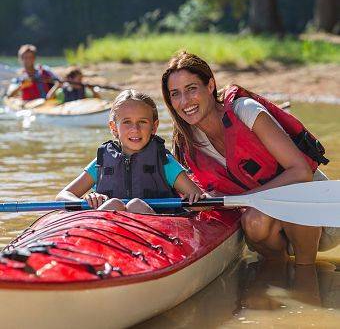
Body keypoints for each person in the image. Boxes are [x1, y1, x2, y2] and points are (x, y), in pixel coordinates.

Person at [161, 51, 333, 265]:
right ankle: (280, 275)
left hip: (321, 217)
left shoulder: (245, 110)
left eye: (191, 89)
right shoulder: (187, 142)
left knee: (271, 209)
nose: (184, 101)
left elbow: (301, 172)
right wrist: (202, 200)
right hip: (266, 221)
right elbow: (208, 191)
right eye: (175, 93)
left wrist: (249, 199)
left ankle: (306, 275)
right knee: (253, 221)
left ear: (210, 85)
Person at [56, 89, 205, 213]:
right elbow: (63, 196)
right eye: (127, 122)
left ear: (154, 127)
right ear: (114, 128)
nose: (135, 129)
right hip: (109, 230)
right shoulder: (101, 162)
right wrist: (87, 201)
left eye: (142, 122)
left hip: (155, 233)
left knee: (136, 205)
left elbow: (201, 199)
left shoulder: (164, 162)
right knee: (113, 205)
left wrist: (195, 199)